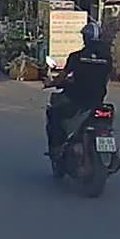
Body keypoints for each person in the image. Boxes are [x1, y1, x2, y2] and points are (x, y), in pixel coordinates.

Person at [44, 21, 113, 158]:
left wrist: (51, 83)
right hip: (97, 100)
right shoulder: (107, 58)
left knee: (53, 113)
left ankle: (57, 148)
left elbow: (62, 76)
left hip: (76, 100)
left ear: (85, 38)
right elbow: (104, 78)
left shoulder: (76, 57)